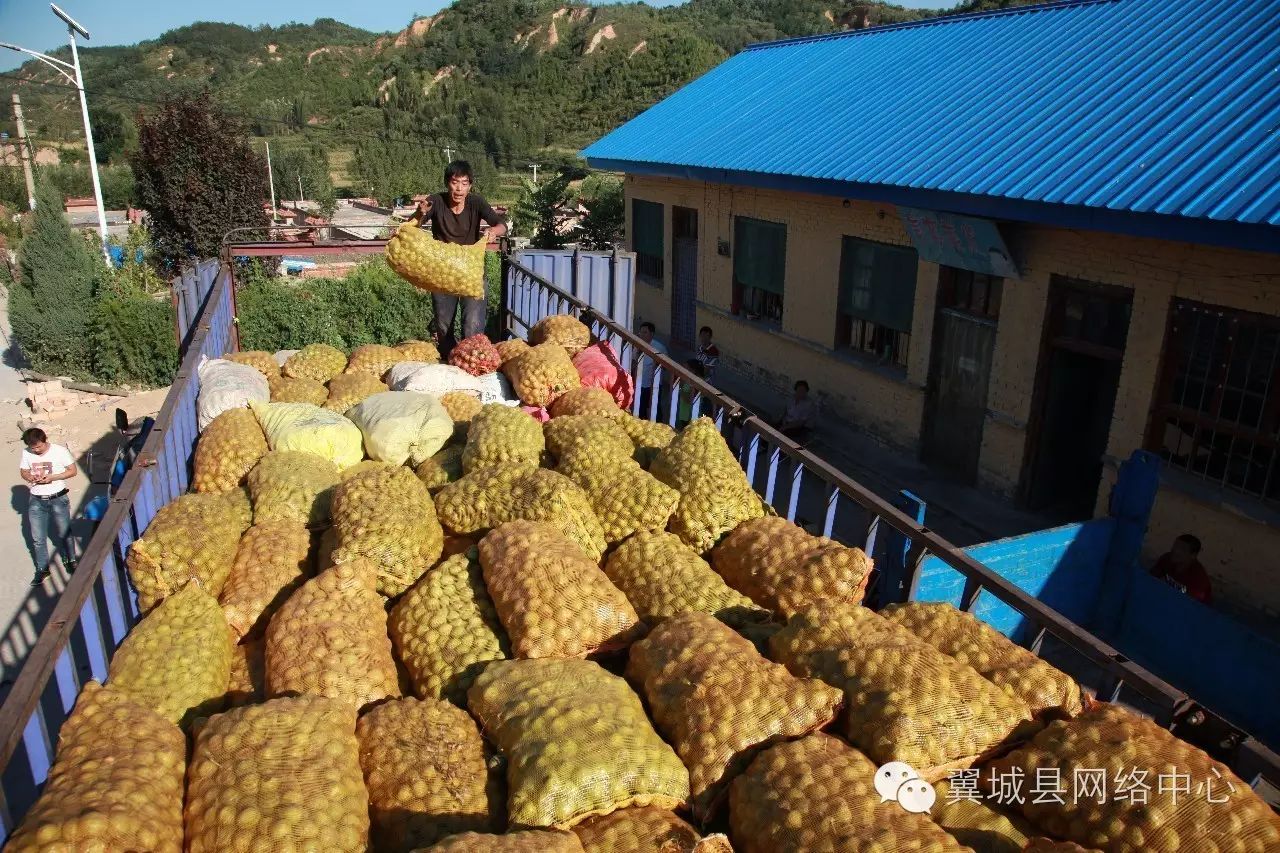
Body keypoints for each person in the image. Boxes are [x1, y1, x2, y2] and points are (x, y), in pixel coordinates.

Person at [408, 160, 508, 357]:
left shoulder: (476, 203)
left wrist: (493, 232)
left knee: (473, 324)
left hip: (471, 273)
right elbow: (413, 226)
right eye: (455, 182)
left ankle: (470, 361)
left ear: (470, 185)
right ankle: (449, 361)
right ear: (447, 183)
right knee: (443, 326)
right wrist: (420, 213)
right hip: (443, 273)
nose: (459, 188)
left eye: (464, 183)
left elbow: (501, 225)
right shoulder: (435, 201)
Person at [20, 428, 78, 586]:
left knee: (65, 532)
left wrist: (53, 477)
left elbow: (73, 471)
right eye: (33, 448)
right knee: (38, 538)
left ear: (44, 440)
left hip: (58, 498)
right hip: (36, 500)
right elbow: (23, 471)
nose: (36, 450)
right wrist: (30, 476)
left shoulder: (60, 451)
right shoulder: (27, 453)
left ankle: (71, 561)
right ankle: (42, 569)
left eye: (38, 447)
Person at [1150, 534, 1212, 604]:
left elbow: (1190, 601)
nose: (1176, 550)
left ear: (1193, 555)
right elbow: (1151, 577)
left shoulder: (1199, 577)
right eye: (1175, 546)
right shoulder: (1167, 558)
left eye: (1183, 549)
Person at [636, 321, 669, 418]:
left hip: (654, 384)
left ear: (652, 334)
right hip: (640, 382)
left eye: (645, 332)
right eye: (641, 332)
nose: (642, 335)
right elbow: (634, 360)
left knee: (655, 407)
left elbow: (666, 365)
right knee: (641, 408)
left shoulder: (659, 348)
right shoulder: (638, 344)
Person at [676, 359, 706, 428]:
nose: (683, 370)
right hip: (684, 413)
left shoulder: (698, 382)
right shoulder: (688, 379)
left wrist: (681, 391)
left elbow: (690, 400)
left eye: (686, 369)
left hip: (691, 414)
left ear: (693, 370)